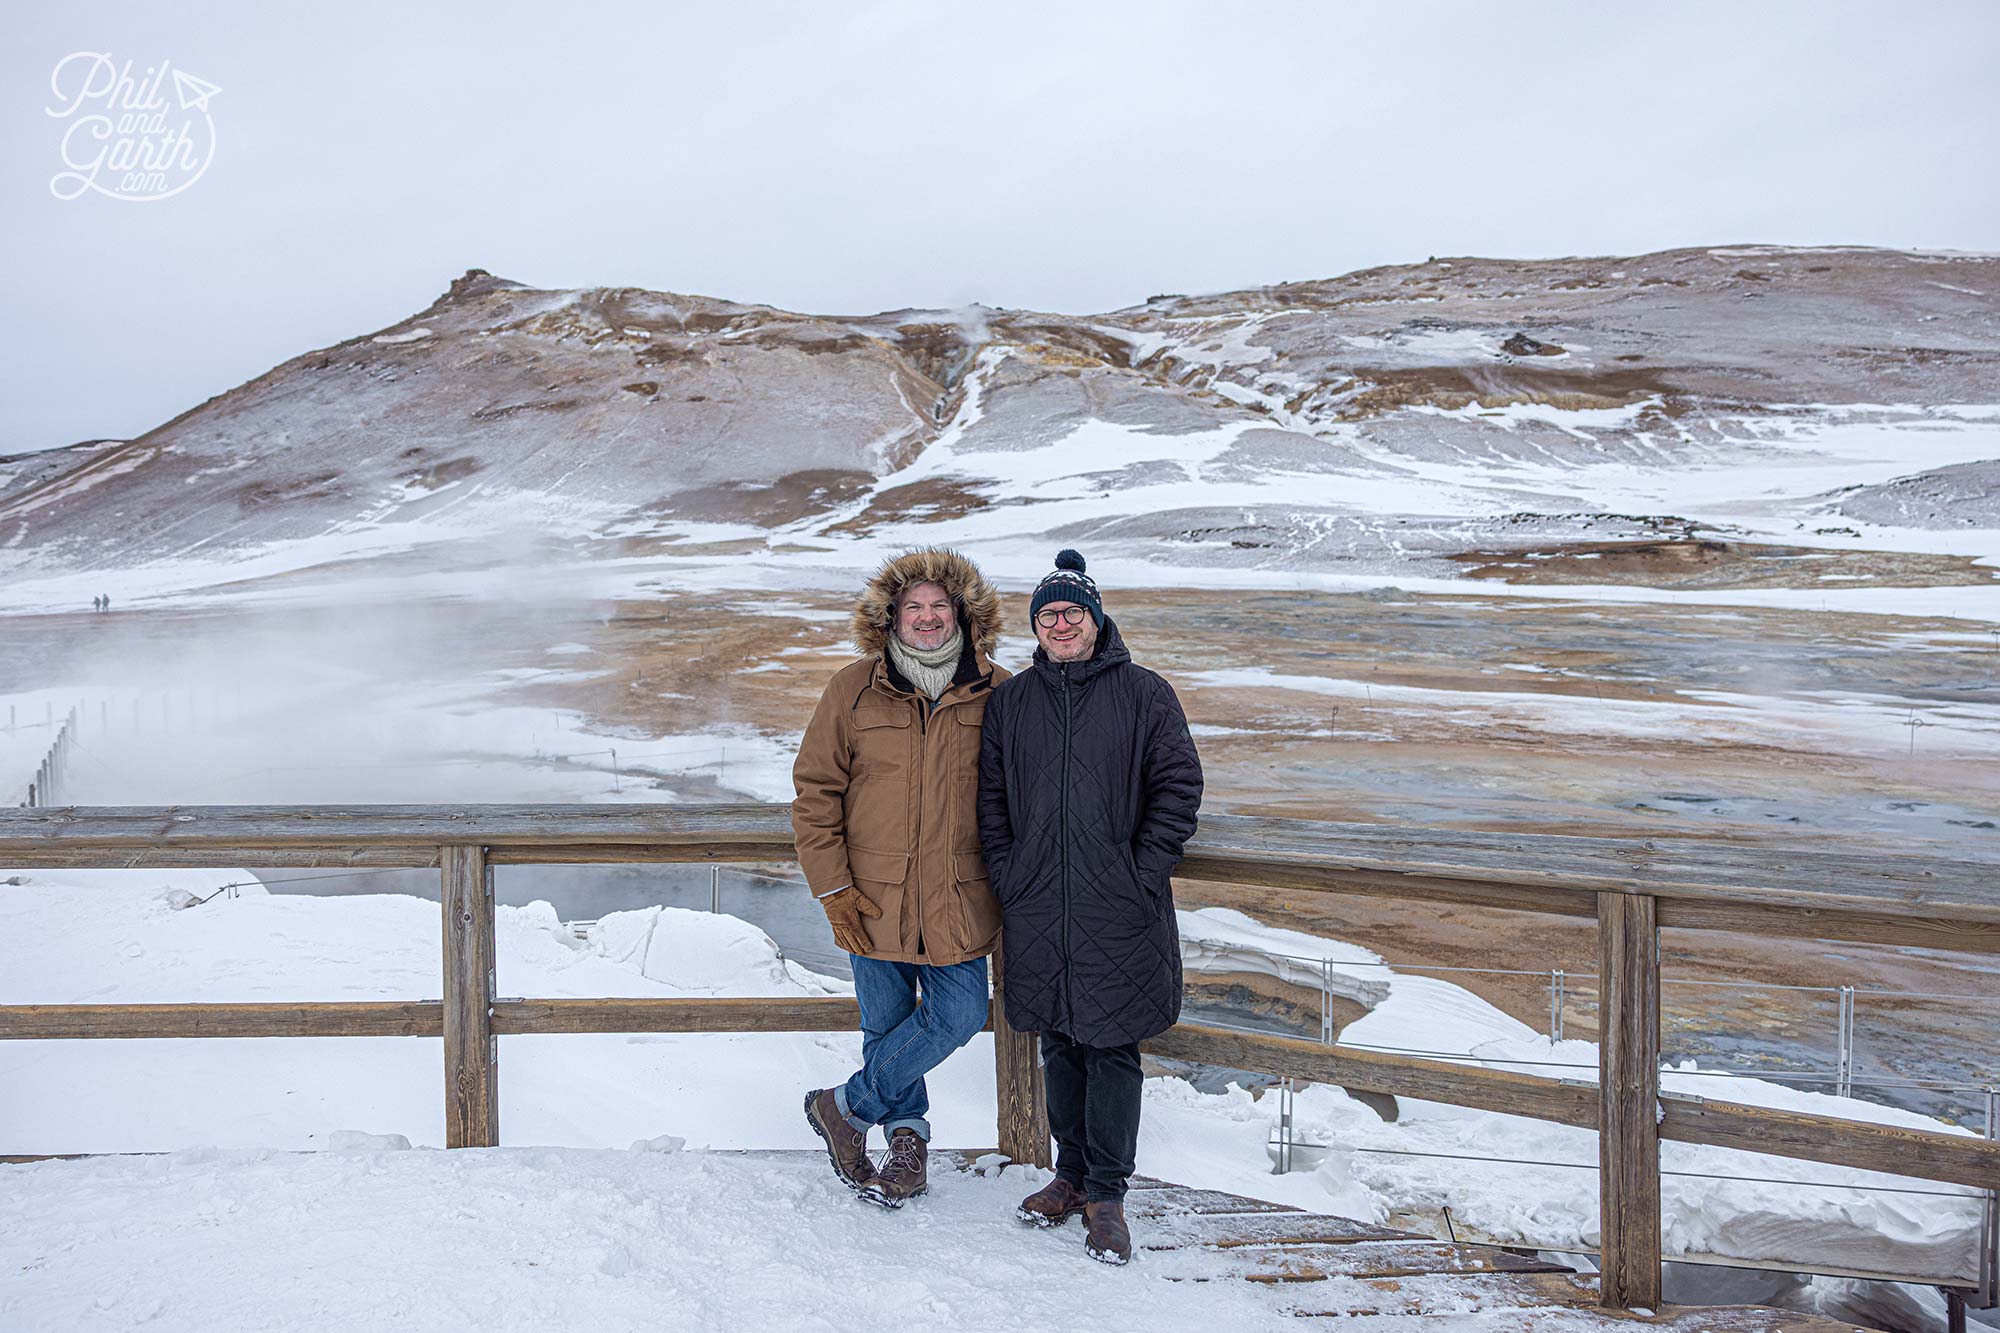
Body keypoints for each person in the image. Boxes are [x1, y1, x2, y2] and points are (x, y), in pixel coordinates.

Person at [977, 548, 1203, 1264]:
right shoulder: (1012, 703)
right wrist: (1011, 873)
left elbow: (1178, 786)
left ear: (1097, 619)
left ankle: (1107, 1192)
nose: (1062, 623)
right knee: (1059, 1042)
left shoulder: (1144, 693)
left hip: (1117, 905)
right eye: (1049, 614)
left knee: (1110, 1045)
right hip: (1039, 902)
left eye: (1073, 611)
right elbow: (991, 802)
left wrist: (1141, 871)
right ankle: (1068, 1176)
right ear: (1036, 625)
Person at [792, 547, 1010, 1209]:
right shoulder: (851, 688)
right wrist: (832, 889)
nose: (926, 616)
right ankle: (907, 1148)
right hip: (871, 897)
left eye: (938, 605)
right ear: (890, 616)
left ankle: (843, 1107)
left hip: (960, 898)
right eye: (913, 606)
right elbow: (815, 792)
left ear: (962, 615)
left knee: (962, 1012)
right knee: (886, 1029)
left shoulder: (997, 690)